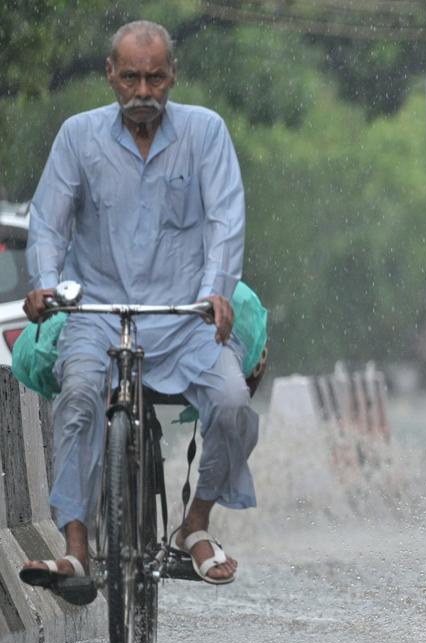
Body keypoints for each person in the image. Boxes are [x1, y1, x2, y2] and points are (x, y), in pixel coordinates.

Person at [17, 20, 256, 601]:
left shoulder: (205, 132)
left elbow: (226, 218)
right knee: (77, 399)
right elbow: (49, 222)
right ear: (110, 76)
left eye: (154, 78)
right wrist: (46, 284)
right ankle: (76, 549)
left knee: (232, 403)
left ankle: (195, 525)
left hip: (185, 317)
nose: (142, 91)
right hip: (98, 315)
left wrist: (217, 289)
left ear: (172, 77)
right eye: (131, 77)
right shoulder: (79, 137)